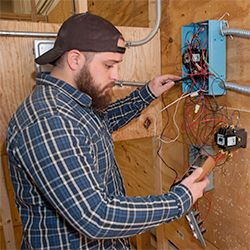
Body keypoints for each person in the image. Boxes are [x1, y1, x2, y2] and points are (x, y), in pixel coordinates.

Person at [6, 12, 209, 250]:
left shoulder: (71, 103)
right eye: (108, 65)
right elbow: (96, 216)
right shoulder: (47, 121)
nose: (117, 76)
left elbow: (102, 122)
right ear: (75, 59)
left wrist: (148, 94)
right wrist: (179, 200)